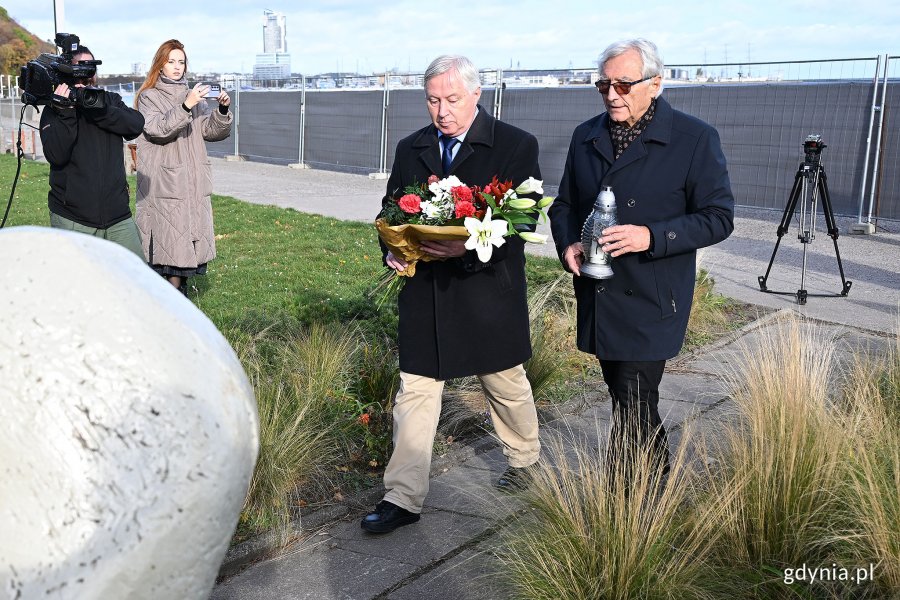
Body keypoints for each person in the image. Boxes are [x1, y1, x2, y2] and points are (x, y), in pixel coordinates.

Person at [361, 55, 542, 534]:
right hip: (425, 292)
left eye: (451, 99)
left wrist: (467, 245)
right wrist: (391, 251)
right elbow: (390, 208)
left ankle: (525, 461)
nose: (441, 111)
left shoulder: (515, 145)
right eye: (433, 100)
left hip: (485, 292)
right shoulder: (410, 146)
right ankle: (402, 497)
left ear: (476, 94)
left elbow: (523, 223)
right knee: (415, 392)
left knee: (504, 381)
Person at [548, 39, 735, 480]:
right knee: (627, 395)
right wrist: (567, 243)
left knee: (633, 395)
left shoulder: (694, 139)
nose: (612, 94)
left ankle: (627, 501)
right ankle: (657, 476)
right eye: (603, 85)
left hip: (653, 294)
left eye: (623, 85)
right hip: (600, 289)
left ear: (655, 83)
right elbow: (564, 205)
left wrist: (650, 235)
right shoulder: (586, 135)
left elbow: (718, 218)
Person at [134, 39, 232, 295]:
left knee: (184, 249)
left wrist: (221, 111)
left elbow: (209, 132)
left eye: (181, 62)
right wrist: (185, 105)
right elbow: (156, 129)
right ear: (160, 65)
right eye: (171, 61)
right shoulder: (149, 96)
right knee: (169, 253)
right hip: (165, 184)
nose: (177, 67)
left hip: (193, 182)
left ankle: (176, 306)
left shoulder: (194, 96)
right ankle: (172, 309)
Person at [39, 45, 145, 256]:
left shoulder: (108, 101)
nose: (87, 75)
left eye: (91, 69)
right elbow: (56, 155)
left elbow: (135, 125)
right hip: (74, 218)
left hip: (117, 216)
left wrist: (98, 110)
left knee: (135, 278)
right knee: (79, 285)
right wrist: (67, 112)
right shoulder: (55, 109)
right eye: (80, 69)